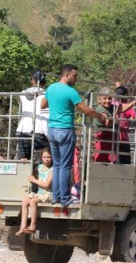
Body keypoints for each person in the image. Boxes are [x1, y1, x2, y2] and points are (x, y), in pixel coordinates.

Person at [41, 64, 108, 207]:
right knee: (65, 167)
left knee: (57, 166)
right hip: (65, 130)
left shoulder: (51, 88)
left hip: (52, 130)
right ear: (66, 75)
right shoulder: (71, 91)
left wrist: (55, 102)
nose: (76, 78)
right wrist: (100, 116)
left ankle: (56, 197)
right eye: (75, 76)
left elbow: (42, 105)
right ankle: (65, 198)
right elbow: (86, 111)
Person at [16, 148, 53, 236]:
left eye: (49, 157)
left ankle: (33, 225)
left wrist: (34, 180)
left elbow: (47, 185)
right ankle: (23, 226)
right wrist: (25, 162)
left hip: (48, 194)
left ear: (52, 158)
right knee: (25, 201)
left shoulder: (53, 170)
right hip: (40, 193)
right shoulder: (39, 167)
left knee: (33, 201)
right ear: (41, 158)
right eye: (44, 157)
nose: (47, 159)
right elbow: (30, 170)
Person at [16, 70, 48, 160]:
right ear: (44, 81)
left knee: (23, 162)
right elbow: (46, 116)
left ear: (31, 81)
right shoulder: (46, 94)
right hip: (40, 133)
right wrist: (49, 136)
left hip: (22, 132)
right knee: (49, 157)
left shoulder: (23, 93)